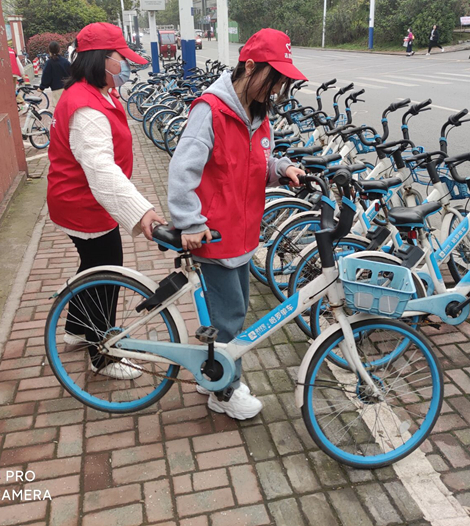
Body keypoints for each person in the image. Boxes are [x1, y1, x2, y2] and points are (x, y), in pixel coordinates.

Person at [167, 28, 306, 420]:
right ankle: (223, 391)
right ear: (249, 66)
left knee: (235, 310)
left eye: (282, 80)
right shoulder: (210, 110)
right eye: (273, 77)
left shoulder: (258, 116)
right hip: (213, 235)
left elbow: (257, 165)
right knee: (228, 317)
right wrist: (189, 222)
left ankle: (211, 374)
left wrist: (282, 169)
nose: (277, 87)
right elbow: (182, 170)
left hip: (243, 233)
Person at [47, 22, 166, 379]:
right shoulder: (85, 106)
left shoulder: (97, 92)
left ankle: (75, 329)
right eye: (119, 58)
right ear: (101, 59)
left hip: (79, 199)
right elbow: (100, 169)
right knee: (107, 271)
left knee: (92, 266)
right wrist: (141, 211)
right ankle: (103, 355)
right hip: (83, 203)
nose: (124, 65)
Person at [38, 41, 71, 106]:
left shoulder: (49, 63)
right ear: (59, 50)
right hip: (68, 89)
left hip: (57, 90)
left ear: (49, 50)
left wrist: (42, 87)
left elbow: (46, 77)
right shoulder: (65, 62)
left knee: (59, 111)